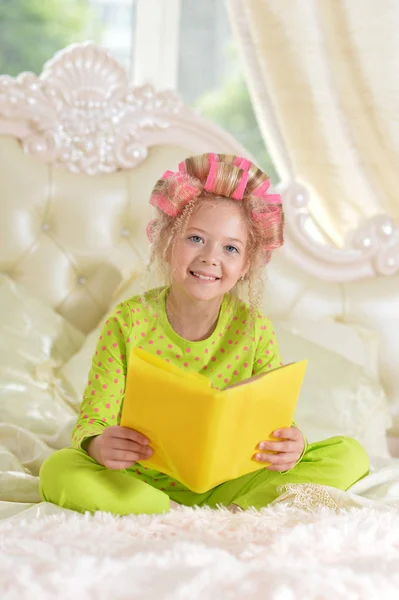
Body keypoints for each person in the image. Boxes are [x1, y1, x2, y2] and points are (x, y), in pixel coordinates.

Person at [39, 153, 369, 515]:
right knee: (57, 469)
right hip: (141, 478)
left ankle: (236, 510)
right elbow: (94, 418)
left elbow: (272, 421)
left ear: (245, 265)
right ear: (168, 242)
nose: (211, 258)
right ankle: (159, 509)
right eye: (196, 239)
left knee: (350, 454)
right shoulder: (129, 320)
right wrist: (99, 445)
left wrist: (294, 446)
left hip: (232, 480)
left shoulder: (254, 329)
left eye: (230, 248)